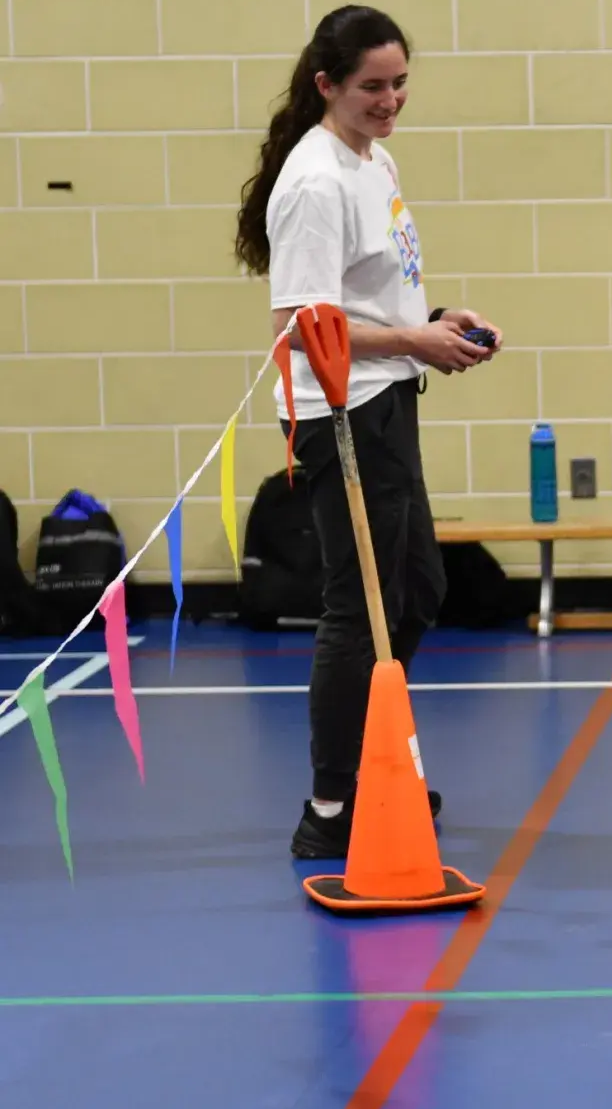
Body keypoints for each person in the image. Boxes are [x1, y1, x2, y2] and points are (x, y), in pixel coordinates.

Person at [232, 5, 505, 857]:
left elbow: (363, 297)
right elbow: (297, 324)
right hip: (340, 411)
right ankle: (328, 807)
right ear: (328, 86)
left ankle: (373, 761)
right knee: (361, 610)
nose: (390, 101)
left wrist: (429, 317)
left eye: (399, 84)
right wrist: (411, 339)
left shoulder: (372, 158)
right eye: (371, 87)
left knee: (417, 589)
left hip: (388, 394)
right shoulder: (314, 182)